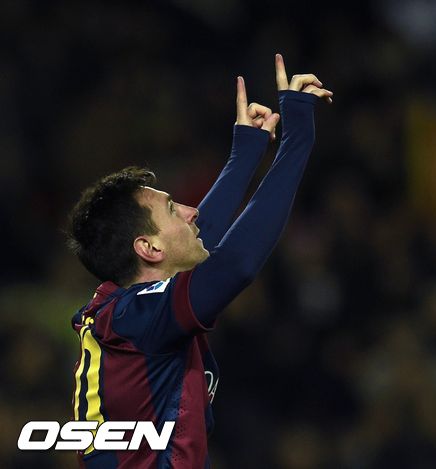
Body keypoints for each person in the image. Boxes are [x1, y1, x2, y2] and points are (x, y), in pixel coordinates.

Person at [66, 54, 333, 468]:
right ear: (148, 248)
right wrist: (297, 141)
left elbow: (200, 240)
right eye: (174, 209)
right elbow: (234, 265)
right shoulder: (135, 319)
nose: (193, 212)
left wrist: (245, 153)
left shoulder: (127, 311)